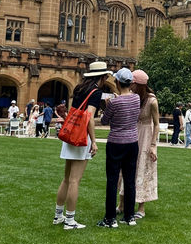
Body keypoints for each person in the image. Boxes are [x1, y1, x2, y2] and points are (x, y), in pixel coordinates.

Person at [54, 60, 111, 230]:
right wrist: (93, 141)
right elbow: (89, 117)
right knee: (74, 181)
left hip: (70, 135)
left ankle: (58, 215)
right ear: (102, 77)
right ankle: (70, 220)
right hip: (80, 137)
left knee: (66, 178)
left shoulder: (79, 88)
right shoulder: (95, 92)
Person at [98, 67, 141, 228]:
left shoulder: (114, 102)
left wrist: (108, 104)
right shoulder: (136, 98)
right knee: (130, 181)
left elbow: (104, 120)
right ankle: (129, 216)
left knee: (112, 180)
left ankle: (110, 218)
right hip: (132, 142)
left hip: (116, 142)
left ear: (117, 82)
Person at [118, 69, 160, 219]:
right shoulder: (132, 97)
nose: (130, 86)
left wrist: (153, 145)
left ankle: (141, 207)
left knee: (142, 168)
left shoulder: (152, 101)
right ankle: (121, 204)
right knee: (125, 168)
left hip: (146, 136)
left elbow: (156, 124)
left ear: (139, 85)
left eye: (133, 84)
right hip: (132, 133)